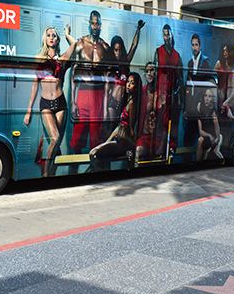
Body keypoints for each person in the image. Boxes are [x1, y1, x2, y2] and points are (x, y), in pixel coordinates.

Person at [24, 26, 76, 176]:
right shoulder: (39, 59)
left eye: (54, 35)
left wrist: (67, 34)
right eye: (48, 35)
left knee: (57, 144)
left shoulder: (63, 58)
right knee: (55, 138)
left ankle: (51, 174)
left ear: (57, 39)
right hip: (45, 103)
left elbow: (74, 45)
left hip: (61, 104)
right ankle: (46, 176)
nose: (51, 37)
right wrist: (28, 111)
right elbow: (35, 85)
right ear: (45, 39)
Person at [70, 10, 112, 157]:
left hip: (98, 94)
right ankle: (73, 173)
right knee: (77, 136)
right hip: (83, 92)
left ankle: (95, 170)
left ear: (101, 26)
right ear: (89, 24)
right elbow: (73, 72)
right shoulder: (80, 44)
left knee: (96, 135)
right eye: (93, 23)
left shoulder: (105, 48)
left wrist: (106, 107)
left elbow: (108, 78)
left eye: (98, 24)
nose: (95, 26)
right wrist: (73, 101)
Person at [90, 72, 141, 170]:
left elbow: (131, 129)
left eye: (132, 83)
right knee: (95, 154)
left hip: (122, 143)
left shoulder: (132, 103)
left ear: (136, 87)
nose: (128, 85)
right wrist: (107, 141)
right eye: (128, 82)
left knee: (93, 154)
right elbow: (119, 127)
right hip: (118, 139)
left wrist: (131, 148)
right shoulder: (128, 101)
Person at [105, 20, 145, 123]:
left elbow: (134, 46)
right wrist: (104, 110)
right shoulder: (110, 67)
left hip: (124, 102)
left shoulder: (125, 63)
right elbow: (106, 90)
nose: (118, 53)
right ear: (112, 50)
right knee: (113, 128)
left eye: (120, 50)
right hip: (113, 103)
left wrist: (138, 29)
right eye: (116, 50)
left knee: (123, 129)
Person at [154, 24, 183, 154]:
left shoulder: (177, 56)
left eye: (168, 34)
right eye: (164, 34)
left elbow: (180, 79)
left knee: (173, 126)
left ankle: (171, 150)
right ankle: (159, 151)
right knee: (160, 125)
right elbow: (154, 77)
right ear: (163, 36)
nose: (167, 37)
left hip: (173, 98)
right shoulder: (158, 52)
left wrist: (178, 97)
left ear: (172, 35)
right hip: (161, 96)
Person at [184, 34, 212, 149]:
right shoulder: (190, 63)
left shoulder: (205, 61)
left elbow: (208, 85)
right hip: (191, 108)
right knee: (187, 138)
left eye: (196, 45)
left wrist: (201, 104)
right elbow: (189, 87)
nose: (194, 47)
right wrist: (186, 107)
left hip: (201, 108)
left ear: (200, 46)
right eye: (192, 45)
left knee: (201, 139)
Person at [135, 62, 164, 162]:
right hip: (144, 136)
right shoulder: (141, 92)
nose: (149, 73)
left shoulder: (161, 94)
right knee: (138, 152)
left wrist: (163, 143)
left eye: (151, 70)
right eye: (147, 71)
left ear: (156, 72)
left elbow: (166, 120)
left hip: (158, 137)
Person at [196, 88, 223, 160]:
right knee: (200, 140)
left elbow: (217, 131)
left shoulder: (213, 109)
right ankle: (198, 162)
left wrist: (215, 139)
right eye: (206, 96)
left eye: (209, 96)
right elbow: (200, 131)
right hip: (205, 135)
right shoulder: (199, 107)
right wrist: (209, 135)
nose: (207, 99)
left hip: (213, 136)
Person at [214, 43, 234, 119]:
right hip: (220, 94)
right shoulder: (219, 64)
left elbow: (233, 89)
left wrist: (228, 100)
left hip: (228, 96)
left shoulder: (231, 69)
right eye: (224, 51)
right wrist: (217, 88)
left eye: (227, 51)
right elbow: (212, 76)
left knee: (229, 116)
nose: (225, 53)